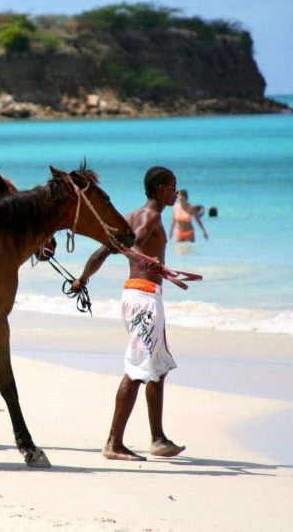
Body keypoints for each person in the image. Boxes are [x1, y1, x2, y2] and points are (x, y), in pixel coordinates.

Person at [71, 166, 185, 461]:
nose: (177, 192)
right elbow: (121, 246)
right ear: (160, 188)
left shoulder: (131, 216)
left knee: (157, 368)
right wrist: (146, 260)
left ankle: (158, 439)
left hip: (141, 296)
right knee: (137, 370)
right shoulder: (149, 217)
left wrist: (83, 278)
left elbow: (105, 249)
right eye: (173, 187)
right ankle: (113, 443)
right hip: (144, 299)